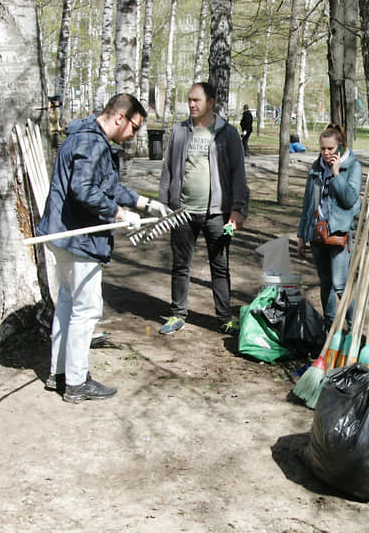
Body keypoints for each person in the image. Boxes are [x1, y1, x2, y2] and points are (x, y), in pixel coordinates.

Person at [37, 93, 169, 403]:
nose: (134, 135)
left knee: (68, 304)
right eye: (134, 127)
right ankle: (76, 382)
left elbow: (107, 186)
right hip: (77, 238)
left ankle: (59, 373)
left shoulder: (87, 138)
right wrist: (119, 214)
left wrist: (144, 203)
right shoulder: (91, 143)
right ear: (120, 118)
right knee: (87, 309)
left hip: (64, 236)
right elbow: (83, 190)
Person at [158, 82, 249, 336]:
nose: (191, 104)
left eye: (196, 100)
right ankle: (177, 314)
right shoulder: (179, 131)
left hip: (218, 214)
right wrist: (164, 206)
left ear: (211, 102)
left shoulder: (227, 133)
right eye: (189, 100)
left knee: (220, 266)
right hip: (182, 213)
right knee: (180, 265)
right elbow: (167, 171)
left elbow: (238, 174)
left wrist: (238, 209)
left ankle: (224, 318)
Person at [297, 124, 362, 331]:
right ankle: (330, 331)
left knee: (340, 285)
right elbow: (308, 203)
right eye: (322, 148)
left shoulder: (352, 166)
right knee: (325, 284)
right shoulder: (316, 167)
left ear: (340, 147)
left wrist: (336, 175)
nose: (325, 153)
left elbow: (350, 200)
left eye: (330, 149)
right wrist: (301, 236)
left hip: (339, 234)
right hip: (317, 233)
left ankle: (354, 330)